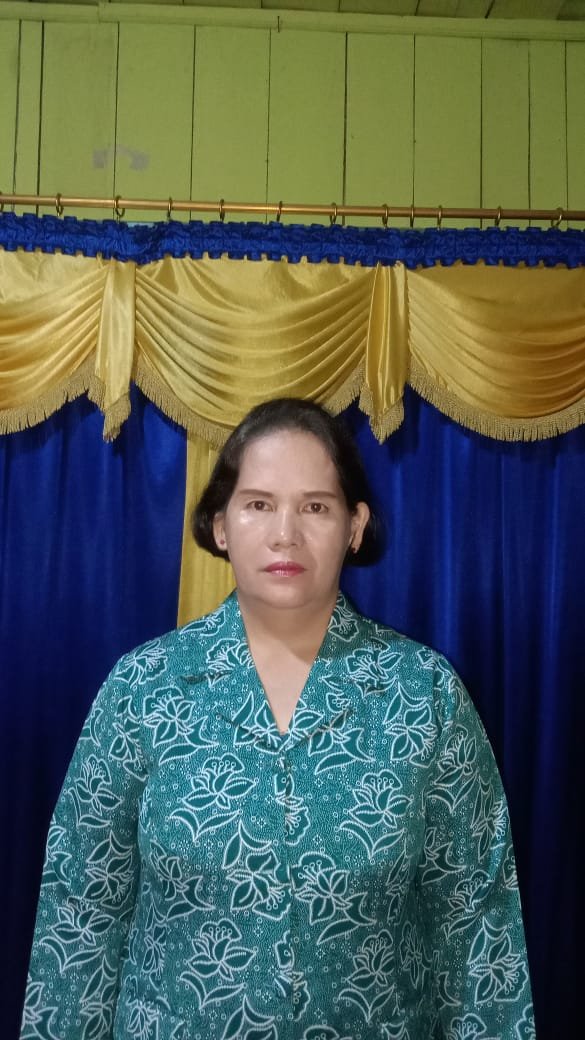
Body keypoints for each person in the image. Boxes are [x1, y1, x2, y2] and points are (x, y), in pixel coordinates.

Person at [21, 398, 534, 1040]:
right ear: (220, 525)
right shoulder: (142, 691)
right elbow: (82, 911)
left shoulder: (424, 695)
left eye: (315, 507)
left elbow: (476, 925)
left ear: (354, 526)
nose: (285, 533)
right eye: (259, 504)